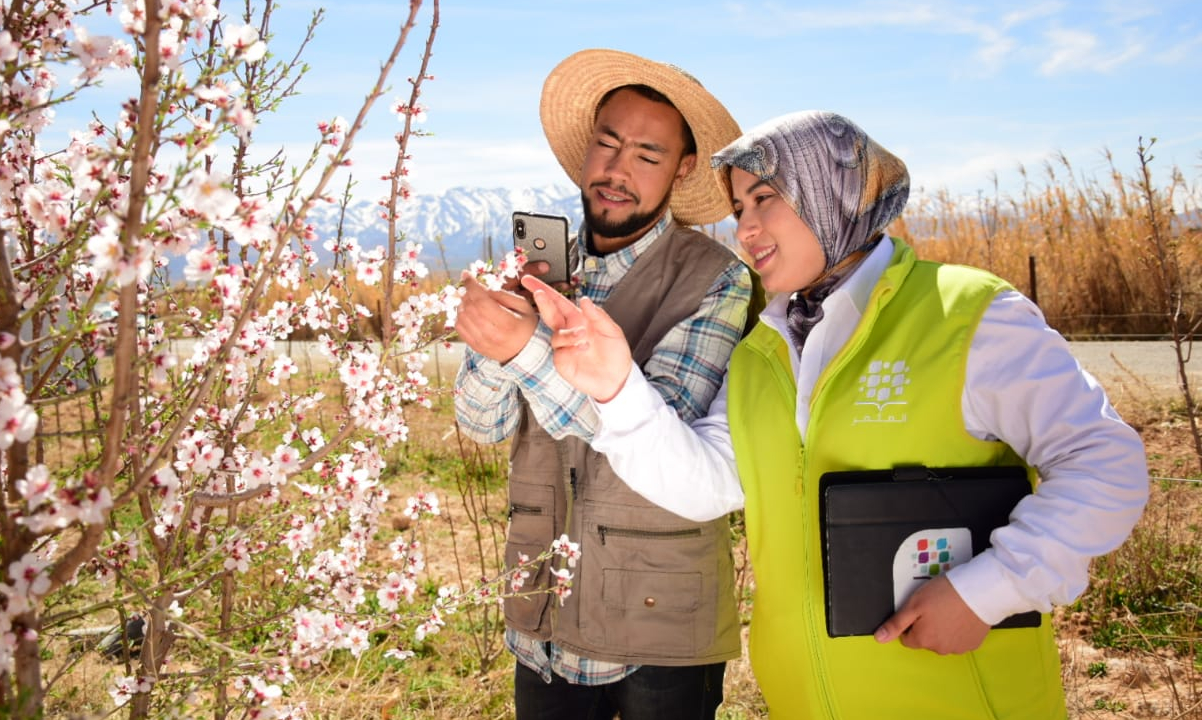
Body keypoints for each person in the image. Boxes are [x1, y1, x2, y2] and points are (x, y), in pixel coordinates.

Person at [522, 110, 1150, 719]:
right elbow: (705, 485)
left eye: (766, 198)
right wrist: (616, 387)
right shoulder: (760, 354)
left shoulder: (965, 312)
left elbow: (1105, 463)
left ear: (838, 192)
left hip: (958, 699)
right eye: (739, 208)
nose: (745, 228)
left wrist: (988, 592)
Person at [452, 49, 760, 719]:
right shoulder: (535, 269)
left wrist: (525, 351)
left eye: (647, 156)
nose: (617, 171)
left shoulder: (719, 280)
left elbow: (659, 437)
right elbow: (482, 427)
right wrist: (490, 347)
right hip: (543, 617)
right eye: (607, 144)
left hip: (661, 623)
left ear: (682, 169)